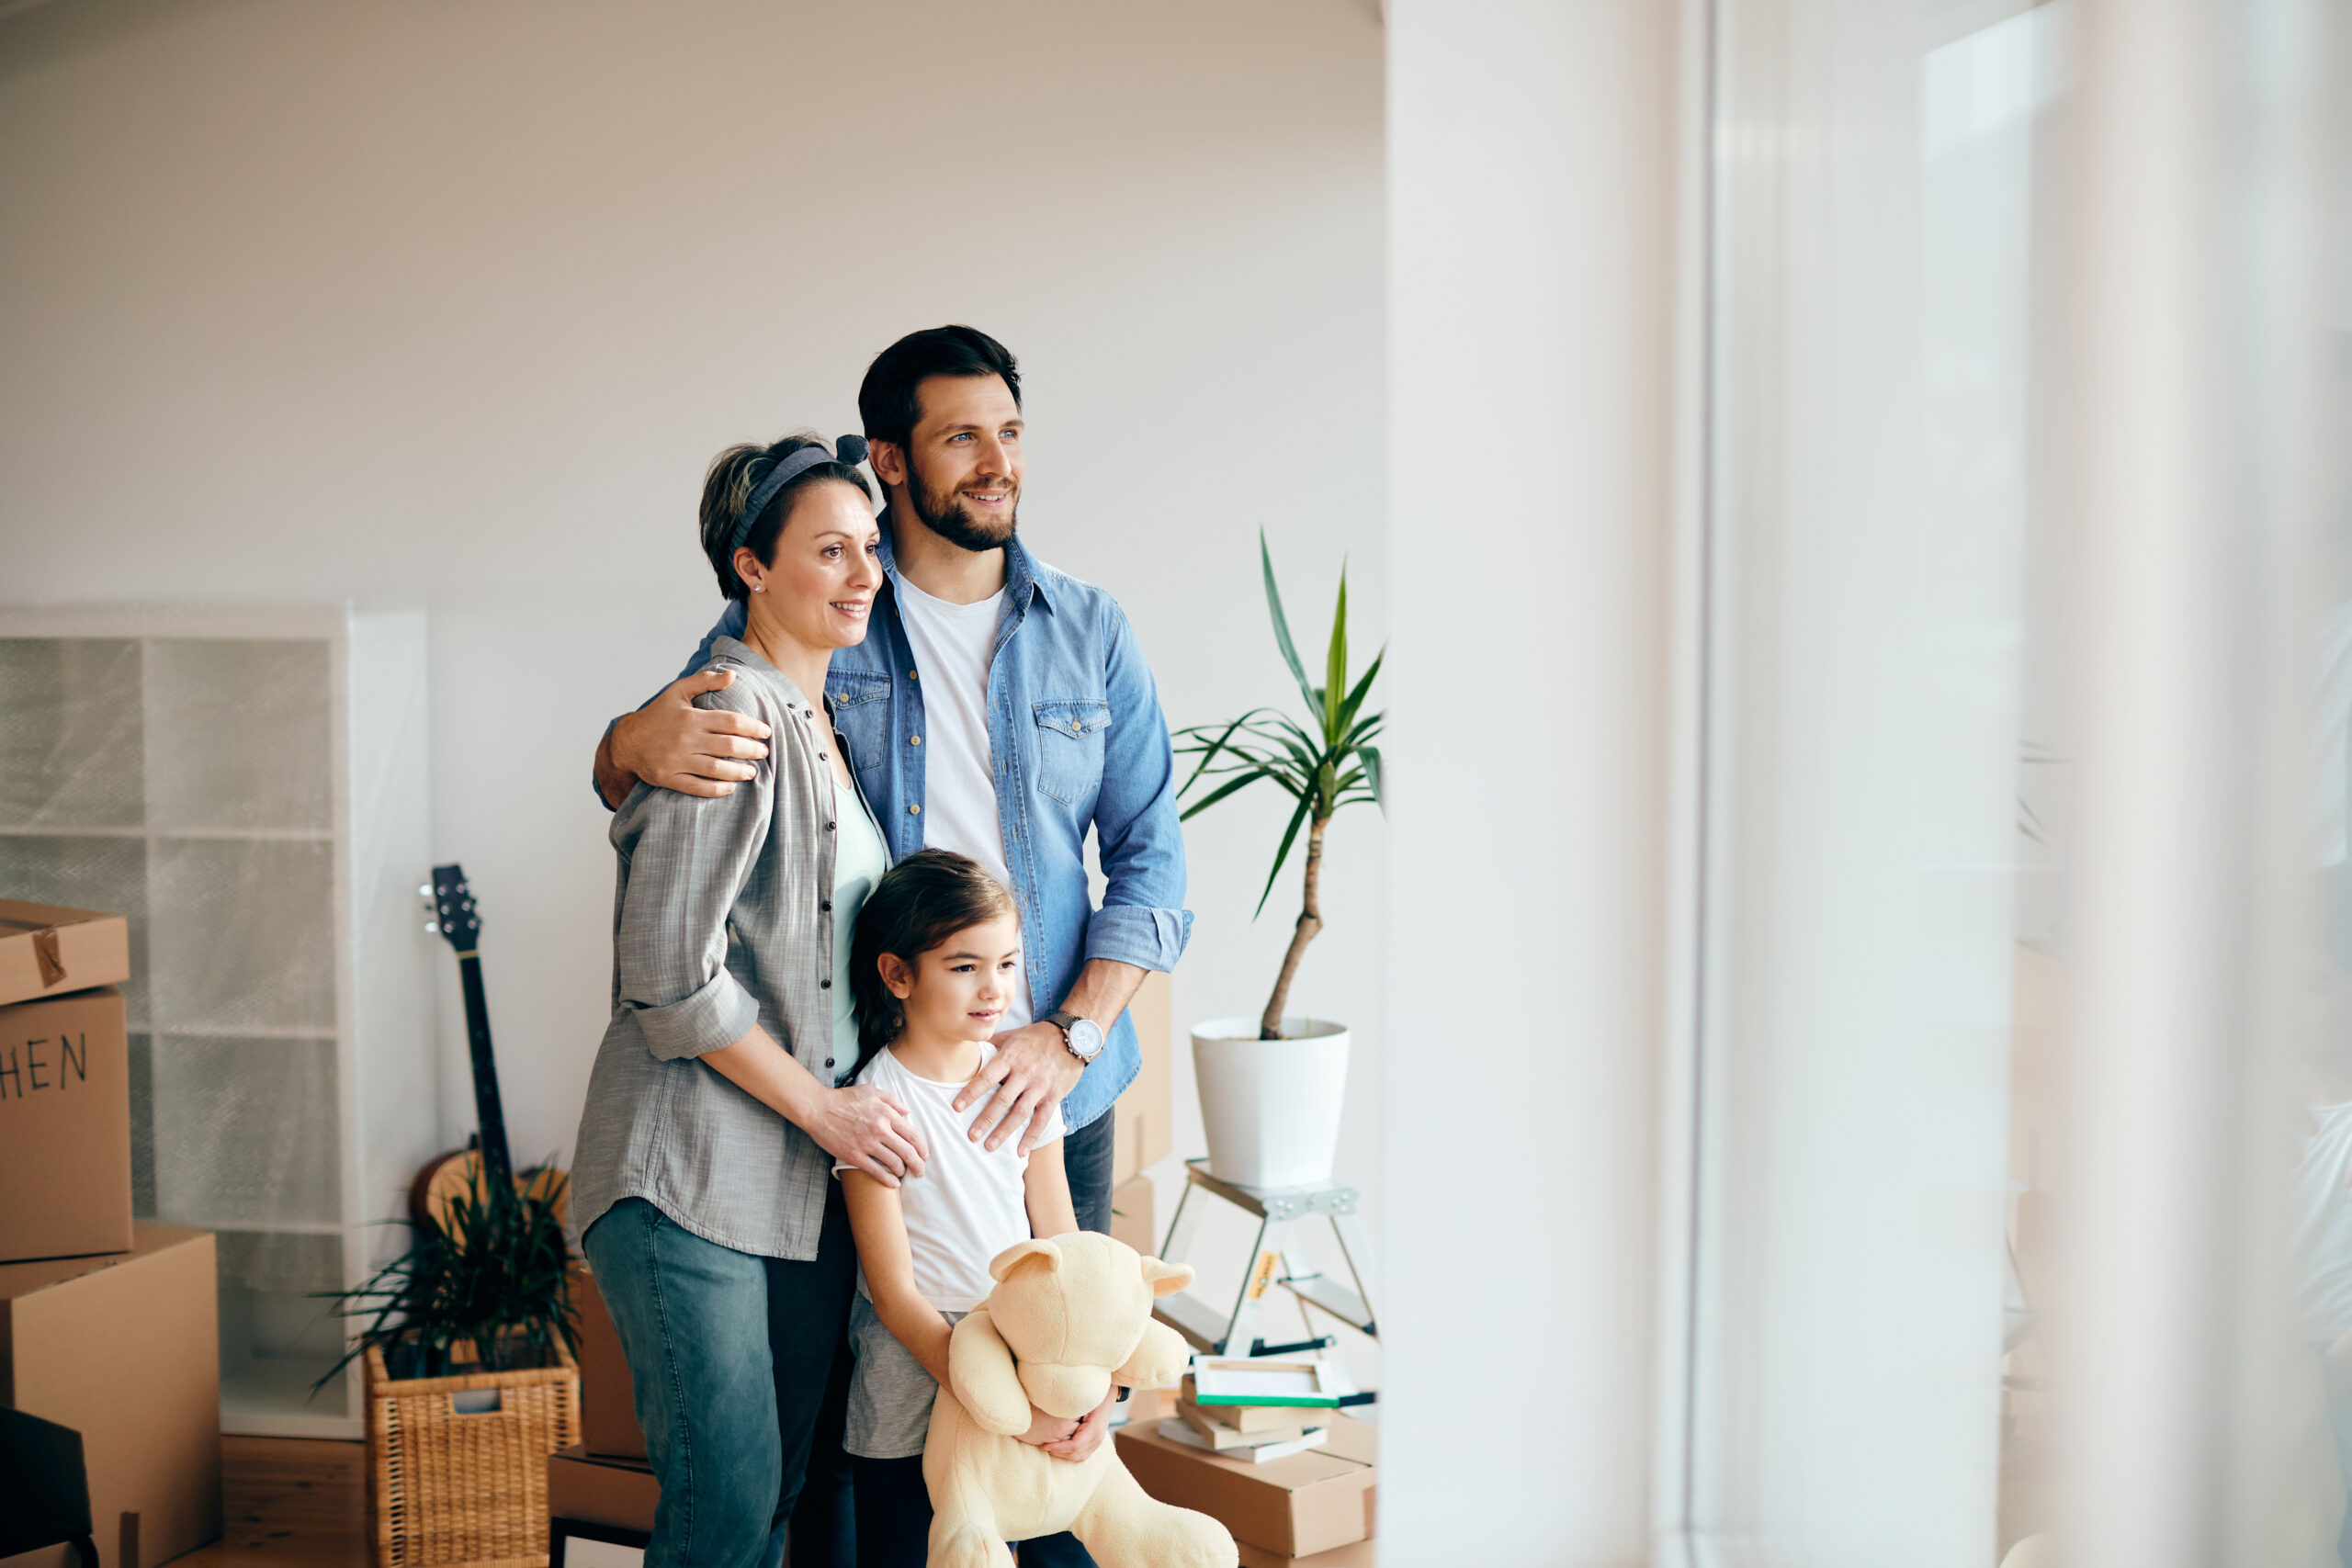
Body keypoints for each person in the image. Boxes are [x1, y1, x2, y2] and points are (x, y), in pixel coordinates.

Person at [592, 325, 1189, 1261]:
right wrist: (624, 736)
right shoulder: (827, 607)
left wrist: (1068, 1037)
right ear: (888, 460)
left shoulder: (1089, 627)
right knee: (891, 1376)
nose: (999, 464)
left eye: (1011, 433)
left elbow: (1154, 864)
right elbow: (654, 756)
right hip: (883, 1093)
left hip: (1051, 1084)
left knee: (1072, 1361)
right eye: (962, 438)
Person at [571, 432, 927, 1568]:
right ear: (750, 567)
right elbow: (669, 972)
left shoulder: (820, 723)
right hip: (684, 1178)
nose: (865, 572)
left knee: (781, 1501)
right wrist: (828, 1115)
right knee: (723, 1516)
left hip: (787, 1188)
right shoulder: (731, 714)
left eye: (870, 547)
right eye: (831, 549)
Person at [834, 850, 1132, 1566]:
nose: (993, 988)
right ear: (898, 974)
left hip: (1028, 1357)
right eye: (965, 966)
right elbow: (893, 1291)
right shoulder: (876, 1109)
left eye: (1006, 963)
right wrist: (1000, 1403)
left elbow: (1066, 1251)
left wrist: (1093, 1385)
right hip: (914, 1384)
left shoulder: (1024, 1085)